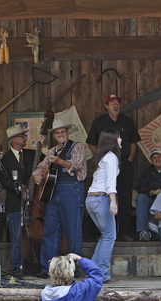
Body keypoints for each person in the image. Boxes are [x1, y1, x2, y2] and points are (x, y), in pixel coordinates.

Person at [33, 119, 87, 279]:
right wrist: (37, 177)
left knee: (73, 232)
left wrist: (60, 161)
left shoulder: (77, 147)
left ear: (67, 132)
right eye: (57, 133)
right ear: (54, 135)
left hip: (72, 190)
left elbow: (77, 165)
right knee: (50, 231)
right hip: (53, 193)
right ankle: (47, 269)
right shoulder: (52, 151)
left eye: (63, 131)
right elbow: (39, 169)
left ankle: (73, 270)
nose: (60, 134)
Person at [87, 93, 141, 242]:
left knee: (125, 197)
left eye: (117, 103)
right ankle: (102, 233)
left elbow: (133, 141)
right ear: (106, 106)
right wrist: (100, 156)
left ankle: (124, 232)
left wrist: (129, 158)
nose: (115, 105)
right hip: (106, 164)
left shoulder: (126, 121)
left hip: (124, 163)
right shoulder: (99, 122)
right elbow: (91, 143)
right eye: (112, 103)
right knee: (104, 196)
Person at [86, 128, 121, 283]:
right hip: (101, 198)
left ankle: (92, 270)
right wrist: (113, 201)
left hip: (91, 199)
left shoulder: (101, 157)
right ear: (113, 140)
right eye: (119, 137)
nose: (121, 140)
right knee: (110, 236)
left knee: (105, 235)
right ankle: (102, 274)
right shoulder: (111, 157)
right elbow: (110, 183)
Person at [0, 125, 35, 273]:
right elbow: (5, 181)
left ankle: (33, 263)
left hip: (32, 203)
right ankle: (17, 266)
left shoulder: (31, 154)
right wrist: (20, 189)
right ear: (14, 139)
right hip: (14, 202)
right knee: (16, 235)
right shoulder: (5, 158)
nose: (24, 138)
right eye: (21, 136)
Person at [136, 148, 161, 242]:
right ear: (151, 160)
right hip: (152, 200)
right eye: (154, 158)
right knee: (140, 198)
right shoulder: (146, 172)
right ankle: (143, 232)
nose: (157, 159)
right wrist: (152, 191)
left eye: (159, 157)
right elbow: (141, 187)